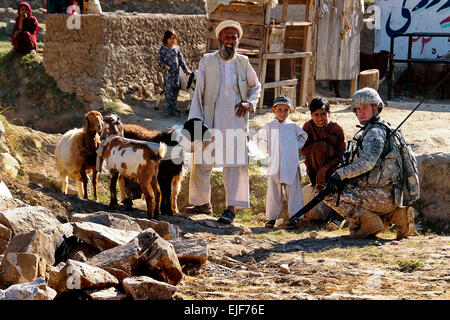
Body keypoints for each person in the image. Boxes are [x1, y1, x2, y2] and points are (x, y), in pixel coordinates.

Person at [185, 20, 261, 225]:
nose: (230, 40)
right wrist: (196, 121)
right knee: (201, 160)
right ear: (219, 38)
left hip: (235, 123)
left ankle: (231, 209)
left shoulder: (243, 62)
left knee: (234, 165)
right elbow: (198, 92)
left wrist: (249, 103)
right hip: (211, 120)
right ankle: (202, 203)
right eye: (227, 37)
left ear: (237, 40)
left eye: (234, 37)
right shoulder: (206, 61)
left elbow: (256, 87)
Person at [323, 87, 416, 239]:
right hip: (390, 194)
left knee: (329, 194)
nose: (361, 112)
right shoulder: (384, 128)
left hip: (382, 194)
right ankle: (395, 216)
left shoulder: (374, 133)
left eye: (365, 108)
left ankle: (367, 224)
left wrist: (339, 175)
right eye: (358, 109)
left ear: (376, 108)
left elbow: (367, 163)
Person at [253, 95, 308, 228]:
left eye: (285, 110)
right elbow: (258, 139)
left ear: (290, 111)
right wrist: (266, 149)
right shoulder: (269, 126)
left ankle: (294, 218)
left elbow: (304, 137)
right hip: (274, 164)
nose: (282, 113)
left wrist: (295, 146)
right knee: (273, 191)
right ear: (273, 110)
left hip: (291, 163)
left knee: (293, 190)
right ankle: (272, 218)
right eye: (279, 110)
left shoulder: (293, 126)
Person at [301, 96, 346, 190]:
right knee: (320, 146)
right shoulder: (308, 127)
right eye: (316, 115)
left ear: (329, 113)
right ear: (311, 115)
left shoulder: (337, 129)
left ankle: (327, 182)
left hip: (333, 165)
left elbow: (341, 154)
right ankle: (318, 183)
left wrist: (325, 168)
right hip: (314, 166)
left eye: (323, 114)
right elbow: (304, 150)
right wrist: (321, 146)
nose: (320, 118)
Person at [157, 30, 191, 117]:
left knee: (175, 92)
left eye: (174, 38)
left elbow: (181, 60)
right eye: (170, 38)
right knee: (168, 92)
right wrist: (164, 66)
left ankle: (174, 110)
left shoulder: (177, 48)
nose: (172, 40)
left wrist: (186, 70)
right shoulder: (163, 49)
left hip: (176, 74)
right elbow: (159, 60)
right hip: (168, 74)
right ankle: (167, 111)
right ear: (166, 39)